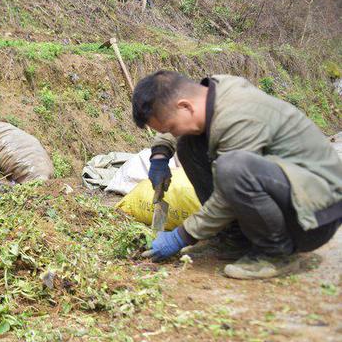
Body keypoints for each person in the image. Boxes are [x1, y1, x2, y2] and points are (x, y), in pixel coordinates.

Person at [132, 71, 342, 279]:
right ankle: (234, 239)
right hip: (291, 193)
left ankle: (275, 253)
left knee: (232, 167)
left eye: (171, 128)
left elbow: (228, 192)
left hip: (317, 216)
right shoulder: (209, 94)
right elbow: (174, 121)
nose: (173, 133)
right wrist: (160, 155)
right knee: (188, 144)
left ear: (185, 105)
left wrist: (182, 235)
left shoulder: (237, 116)